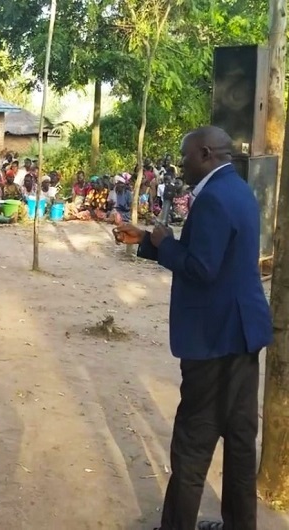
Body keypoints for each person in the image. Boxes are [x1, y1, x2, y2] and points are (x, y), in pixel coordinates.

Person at [114, 126, 272, 530]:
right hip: (241, 334)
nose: (180, 164)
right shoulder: (238, 190)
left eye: (185, 157)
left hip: (214, 340)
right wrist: (149, 240)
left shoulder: (214, 198)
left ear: (205, 154)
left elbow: (202, 268)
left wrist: (165, 242)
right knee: (239, 440)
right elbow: (213, 256)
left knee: (192, 444)